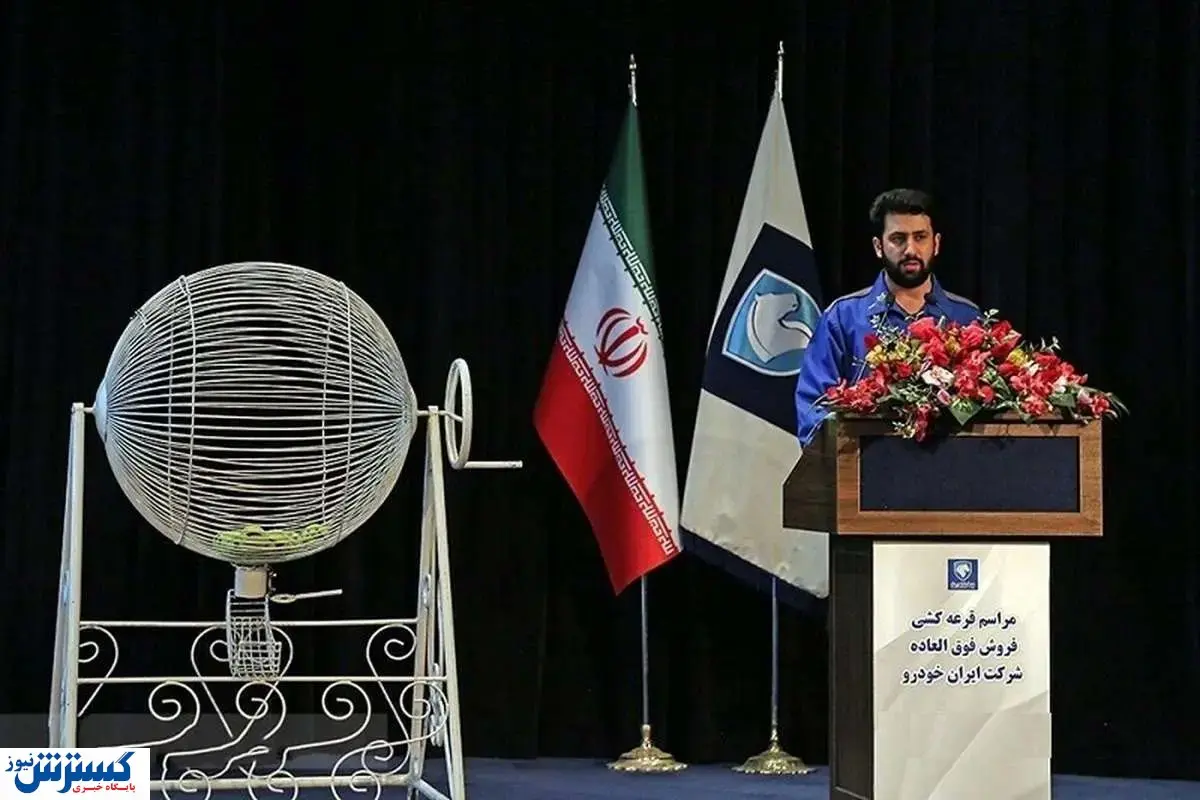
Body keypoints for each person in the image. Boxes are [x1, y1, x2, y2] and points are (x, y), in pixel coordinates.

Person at [793, 188, 982, 447]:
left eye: (920, 237)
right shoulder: (843, 317)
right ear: (878, 246)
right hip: (866, 466)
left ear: (936, 243)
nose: (910, 249)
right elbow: (814, 409)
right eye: (898, 239)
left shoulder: (967, 319)